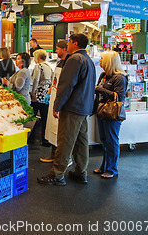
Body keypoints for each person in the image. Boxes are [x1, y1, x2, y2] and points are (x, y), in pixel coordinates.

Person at [37, 33, 96, 186]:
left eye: (69, 42)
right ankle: (81, 172)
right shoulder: (88, 60)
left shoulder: (74, 59)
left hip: (72, 107)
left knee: (65, 141)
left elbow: (66, 86)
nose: (67, 45)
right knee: (81, 142)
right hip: (84, 108)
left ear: (75, 43)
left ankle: (57, 174)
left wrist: (57, 106)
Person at [93, 51, 128, 179]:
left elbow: (119, 97)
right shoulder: (103, 75)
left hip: (112, 114)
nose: (100, 61)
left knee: (112, 141)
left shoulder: (119, 78)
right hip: (102, 111)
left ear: (109, 61)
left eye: (102, 59)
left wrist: (99, 89)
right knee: (104, 140)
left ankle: (112, 169)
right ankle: (105, 166)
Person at [40, 40, 69, 163]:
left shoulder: (69, 63)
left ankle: (62, 158)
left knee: (59, 131)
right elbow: (54, 80)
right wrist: (48, 93)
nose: (56, 51)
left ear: (64, 49)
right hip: (53, 96)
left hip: (61, 99)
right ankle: (53, 154)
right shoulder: (59, 62)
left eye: (57, 49)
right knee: (51, 127)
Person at [29, 49, 53, 146]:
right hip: (46, 94)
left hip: (38, 94)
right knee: (45, 117)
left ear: (38, 58)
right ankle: (45, 138)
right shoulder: (49, 67)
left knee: (33, 115)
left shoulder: (38, 67)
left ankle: (31, 137)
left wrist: (32, 92)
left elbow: (35, 80)